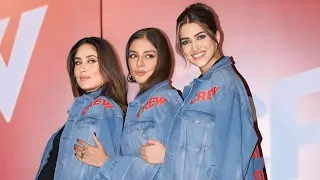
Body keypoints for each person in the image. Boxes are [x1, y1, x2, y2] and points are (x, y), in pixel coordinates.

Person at [141, 3, 266, 180]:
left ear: (217, 36)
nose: (194, 48)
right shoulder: (198, 88)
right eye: (186, 42)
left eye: (200, 37)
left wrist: (167, 156)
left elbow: (231, 162)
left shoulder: (224, 84)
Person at [74, 28, 183, 180]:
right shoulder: (138, 104)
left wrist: (105, 162)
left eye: (149, 56)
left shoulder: (166, 101)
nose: (139, 63)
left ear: (162, 59)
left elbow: (166, 168)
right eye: (133, 56)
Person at [35, 37, 127, 180]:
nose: (82, 68)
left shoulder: (101, 107)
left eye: (91, 60)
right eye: (78, 62)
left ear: (107, 66)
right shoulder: (83, 110)